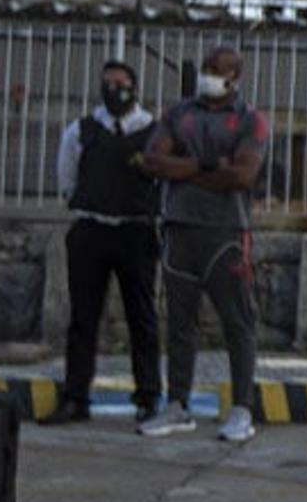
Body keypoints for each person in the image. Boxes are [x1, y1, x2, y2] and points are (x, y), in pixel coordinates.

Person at [137, 47, 269, 441]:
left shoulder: (250, 120)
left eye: (218, 70)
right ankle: (178, 404)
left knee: (238, 322)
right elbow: (153, 161)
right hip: (179, 228)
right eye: (207, 68)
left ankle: (242, 408)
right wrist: (207, 167)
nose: (209, 75)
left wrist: (183, 169)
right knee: (179, 322)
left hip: (227, 232)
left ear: (234, 78)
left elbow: (243, 175)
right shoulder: (180, 113)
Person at [43, 60, 162, 426]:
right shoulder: (82, 129)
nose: (115, 90)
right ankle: (76, 396)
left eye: (121, 84)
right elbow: (67, 176)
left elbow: (163, 178)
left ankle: (148, 396)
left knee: (141, 317)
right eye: (108, 83)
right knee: (83, 318)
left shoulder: (153, 131)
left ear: (134, 87)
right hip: (91, 230)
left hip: (135, 230)